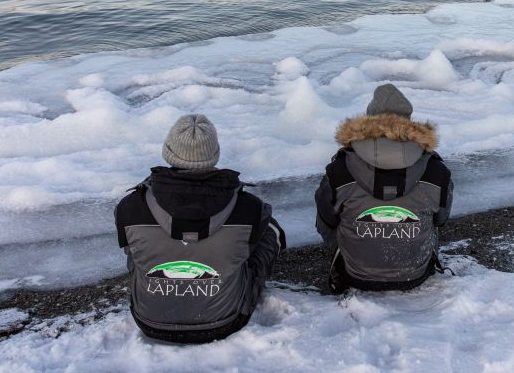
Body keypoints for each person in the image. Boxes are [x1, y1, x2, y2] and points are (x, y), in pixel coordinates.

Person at [115, 114, 285, 343]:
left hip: (149, 321)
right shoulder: (249, 207)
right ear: (213, 154)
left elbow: (131, 253)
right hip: (225, 321)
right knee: (268, 229)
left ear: (169, 151)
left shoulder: (130, 206)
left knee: (137, 246)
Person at [315, 83, 453, 293]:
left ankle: (350, 255)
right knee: (431, 210)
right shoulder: (436, 170)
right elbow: (441, 219)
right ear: (408, 122)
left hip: (354, 275)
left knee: (330, 206)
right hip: (415, 274)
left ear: (368, 121)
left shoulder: (340, 168)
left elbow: (326, 219)